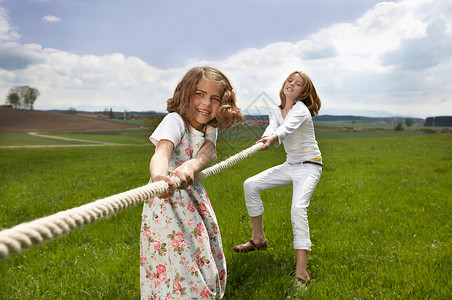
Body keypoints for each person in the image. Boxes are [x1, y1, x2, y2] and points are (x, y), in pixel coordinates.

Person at [140, 66, 243, 299]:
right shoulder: (174, 121)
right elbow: (162, 152)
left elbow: (206, 153)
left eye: (214, 98)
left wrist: (191, 166)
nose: (206, 104)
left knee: (203, 253)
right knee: (176, 259)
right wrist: (158, 177)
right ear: (185, 93)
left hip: (193, 198)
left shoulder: (210, 128)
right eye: (199, 94)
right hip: (166, 202)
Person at [233, 70, 322, 287]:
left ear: (304, 91)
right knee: (250, 184)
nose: (292, 84)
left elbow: (285, 129)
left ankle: (302, 272)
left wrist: (273, 138)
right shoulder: (276, 110)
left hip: (310, 166)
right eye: (290, 80)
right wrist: (266, 137)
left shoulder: (301, 110)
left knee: (298, 209)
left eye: (298, 83)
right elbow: (273, 127)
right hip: (290, 165)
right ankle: (258, 240)